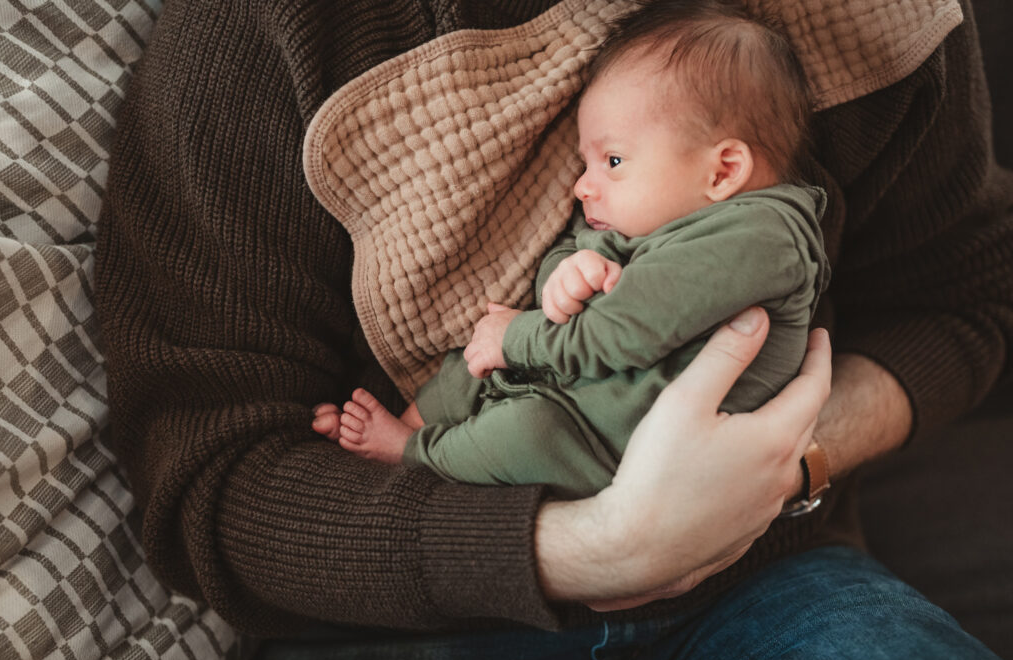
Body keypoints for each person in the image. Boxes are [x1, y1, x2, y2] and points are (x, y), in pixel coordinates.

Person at [93, 0, 1013, 660]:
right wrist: (596, 544)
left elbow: (965, 300)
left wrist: (781, 463)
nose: (585, 186)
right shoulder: (260, 31)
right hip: (409, 626)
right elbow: (207, 474)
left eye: (607, 162)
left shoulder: (856, 39)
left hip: (762, 583)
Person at [311, 5, 828, 500]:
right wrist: (568, 272)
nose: (582, 186)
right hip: (574, 382)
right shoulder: (645, 221)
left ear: (723, 171)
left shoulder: (762, 237)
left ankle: (413, 454)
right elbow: (566, 260)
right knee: (468, 364)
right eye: (585, 163)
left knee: (525, 432)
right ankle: (403, 430)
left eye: (613, 160)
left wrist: (516, 338)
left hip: (615, 452)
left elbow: (628, 329)